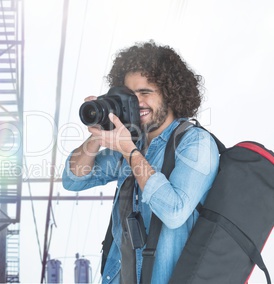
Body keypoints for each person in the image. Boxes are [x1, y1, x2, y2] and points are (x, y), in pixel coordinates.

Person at [62, 40, 220, 284]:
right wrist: (97, 136)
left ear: (170, 93)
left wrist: (129, 151)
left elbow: (174, 212)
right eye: (129, 96)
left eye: (145, 93)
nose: (137, 103)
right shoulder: (134, 142)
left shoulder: (194, 142)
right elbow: (74, 179)